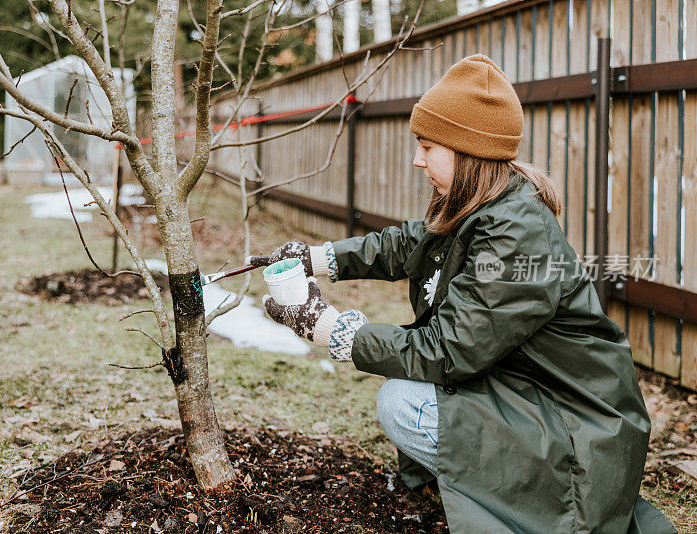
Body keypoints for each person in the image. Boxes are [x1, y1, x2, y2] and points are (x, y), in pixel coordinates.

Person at [248, 55, 676, 533]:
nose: (417, 159)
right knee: (409, 397)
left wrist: (332, 329)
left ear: (467, 151)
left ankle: (517, 498)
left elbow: (449, 351)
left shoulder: (516, 236)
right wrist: (318, 258)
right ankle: (471, 483)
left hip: (578, 427)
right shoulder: (481, 206)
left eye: (427, 146)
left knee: (403, 404)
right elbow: (408, 243)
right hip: (527, 395)